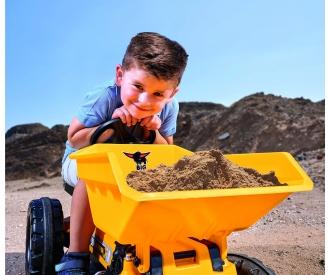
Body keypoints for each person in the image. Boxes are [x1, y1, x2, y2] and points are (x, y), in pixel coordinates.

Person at [55, 32, 188, 274]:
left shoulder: (170, 108)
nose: (146, 100)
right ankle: (76, 255)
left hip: (130, 169)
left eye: (158, 94)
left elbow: (168, 152)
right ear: (119, 75)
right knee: (95, 177)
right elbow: (74, 138)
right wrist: (112, 126)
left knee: (166, 179)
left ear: (172, 94)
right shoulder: (104, 97)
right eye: (138, 87)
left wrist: (152, 135)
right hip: (82, 163)